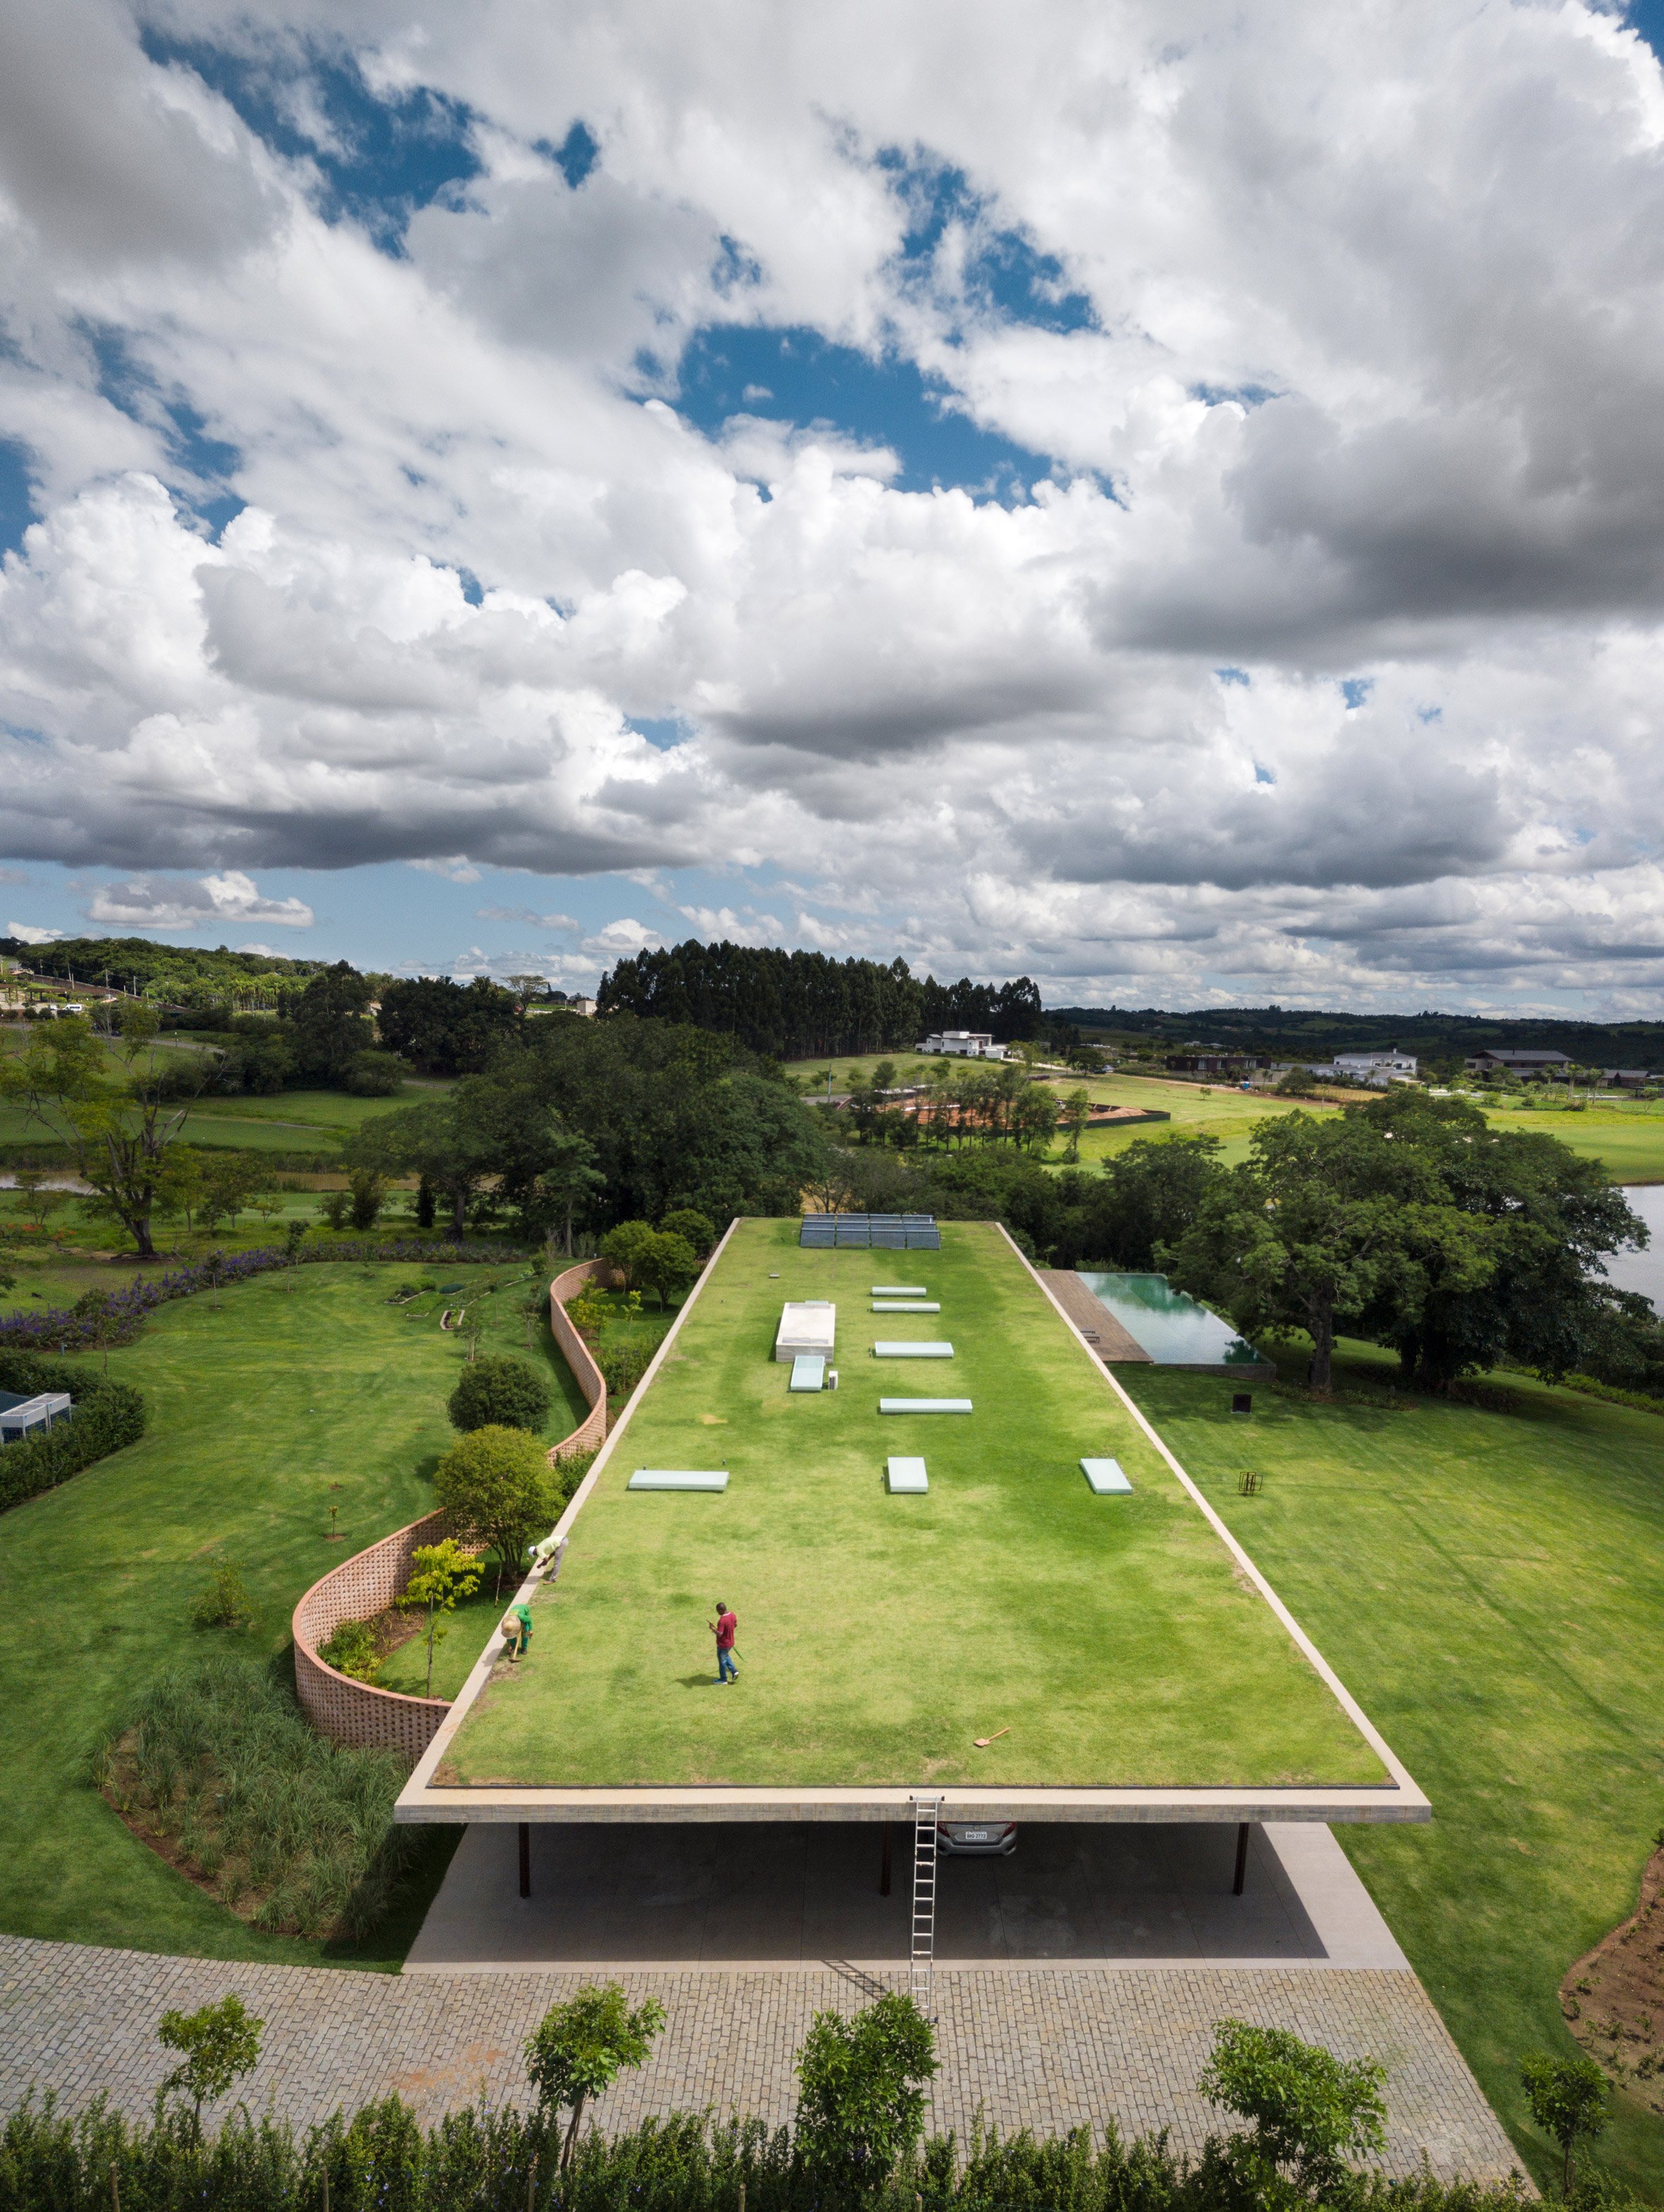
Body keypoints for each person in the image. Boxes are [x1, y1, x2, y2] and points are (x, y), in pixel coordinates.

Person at [709, 1600, 738, 1684]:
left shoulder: (722, 1621)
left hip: (723, 1644)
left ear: (721, 1610)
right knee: (725, 1656)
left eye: (718, 1611)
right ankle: (734, 1671)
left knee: (722, 1661)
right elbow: (735, 1625)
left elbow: (719, 1634)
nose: (717, 1613)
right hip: (731, 1642)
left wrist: (712, 1628)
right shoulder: (732, 1615)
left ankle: (723, 1680)